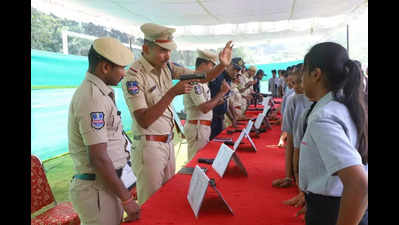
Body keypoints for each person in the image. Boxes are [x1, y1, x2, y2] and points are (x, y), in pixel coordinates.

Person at [121, 23, 233, 205]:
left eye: (169, 50)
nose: (167, 56)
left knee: (166, 199)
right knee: (150, 203)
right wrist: (172, 92)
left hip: (167, 143)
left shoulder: (167, 67)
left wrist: (222, 65)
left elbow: (203, 77)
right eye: (162, 50)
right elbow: (144, 120)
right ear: (145, 49)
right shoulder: (134, 76)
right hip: (149, 146)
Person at [68, 37, 140, 225]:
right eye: (121, 68)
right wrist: (127, 199)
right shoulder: (92, 98)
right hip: (97, 189)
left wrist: (126, 185)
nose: (124, 74)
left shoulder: (100, 93)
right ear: (105, 67)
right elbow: (98, 157)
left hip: (107, 185)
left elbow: (113, 144)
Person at [299, 42, 368, 225]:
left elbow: (358, 184)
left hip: (334, 210)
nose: (301, 79)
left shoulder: (323, 117)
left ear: (316, 74)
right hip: (336, 202)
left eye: (303, 72)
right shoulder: (345, 106)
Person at [183, 49, 230, 162]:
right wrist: (221, 93)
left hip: (202, 126)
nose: (213, 70)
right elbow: (204, 108)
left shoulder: (202, 82)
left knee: (200, 159)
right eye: (212, 66)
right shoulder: (194, 82)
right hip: (198, 127)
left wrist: (217, 100)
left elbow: (206, 105)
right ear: (203, 64)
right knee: (195, 161)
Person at [272, 69, 312, 188]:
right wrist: (289, 176)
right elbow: (290, 140)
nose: (296, 86)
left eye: (300, 82)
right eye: (294, 83)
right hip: (298, 152)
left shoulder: (320, 101)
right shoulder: (293, 99)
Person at [209, 57, 242, 140]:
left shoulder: (228, 79)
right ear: (228, 66)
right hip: (212, 118)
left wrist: (233, 118)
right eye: (234, 69)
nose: (235, 72)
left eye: (238, 71)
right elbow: (212, 99)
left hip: (220, 118)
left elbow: (226, 100)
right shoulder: (218, 76)